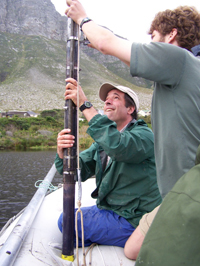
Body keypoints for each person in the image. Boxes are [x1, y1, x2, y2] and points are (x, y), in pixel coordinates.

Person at [65, 1, 200, 198]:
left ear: (171, 34)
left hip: (185, 199)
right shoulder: (188, 69)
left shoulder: (178, 59)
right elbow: (119, 52)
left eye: (153, 37)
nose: (151, 44)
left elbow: (106, 43)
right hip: (182, 195)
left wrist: (81, 18)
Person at [55, 78, 162, 247]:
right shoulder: (102, 142)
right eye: (106, 99)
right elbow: (77, 171)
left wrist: (84, 104)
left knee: (67, 221)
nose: (107, 101)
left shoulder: (144, 135)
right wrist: (63, 155)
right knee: (68, 217)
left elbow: (119, 147)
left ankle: (141, 240)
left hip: (135, 218)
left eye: (116, 97)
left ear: (130, 109)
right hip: (113, 211)